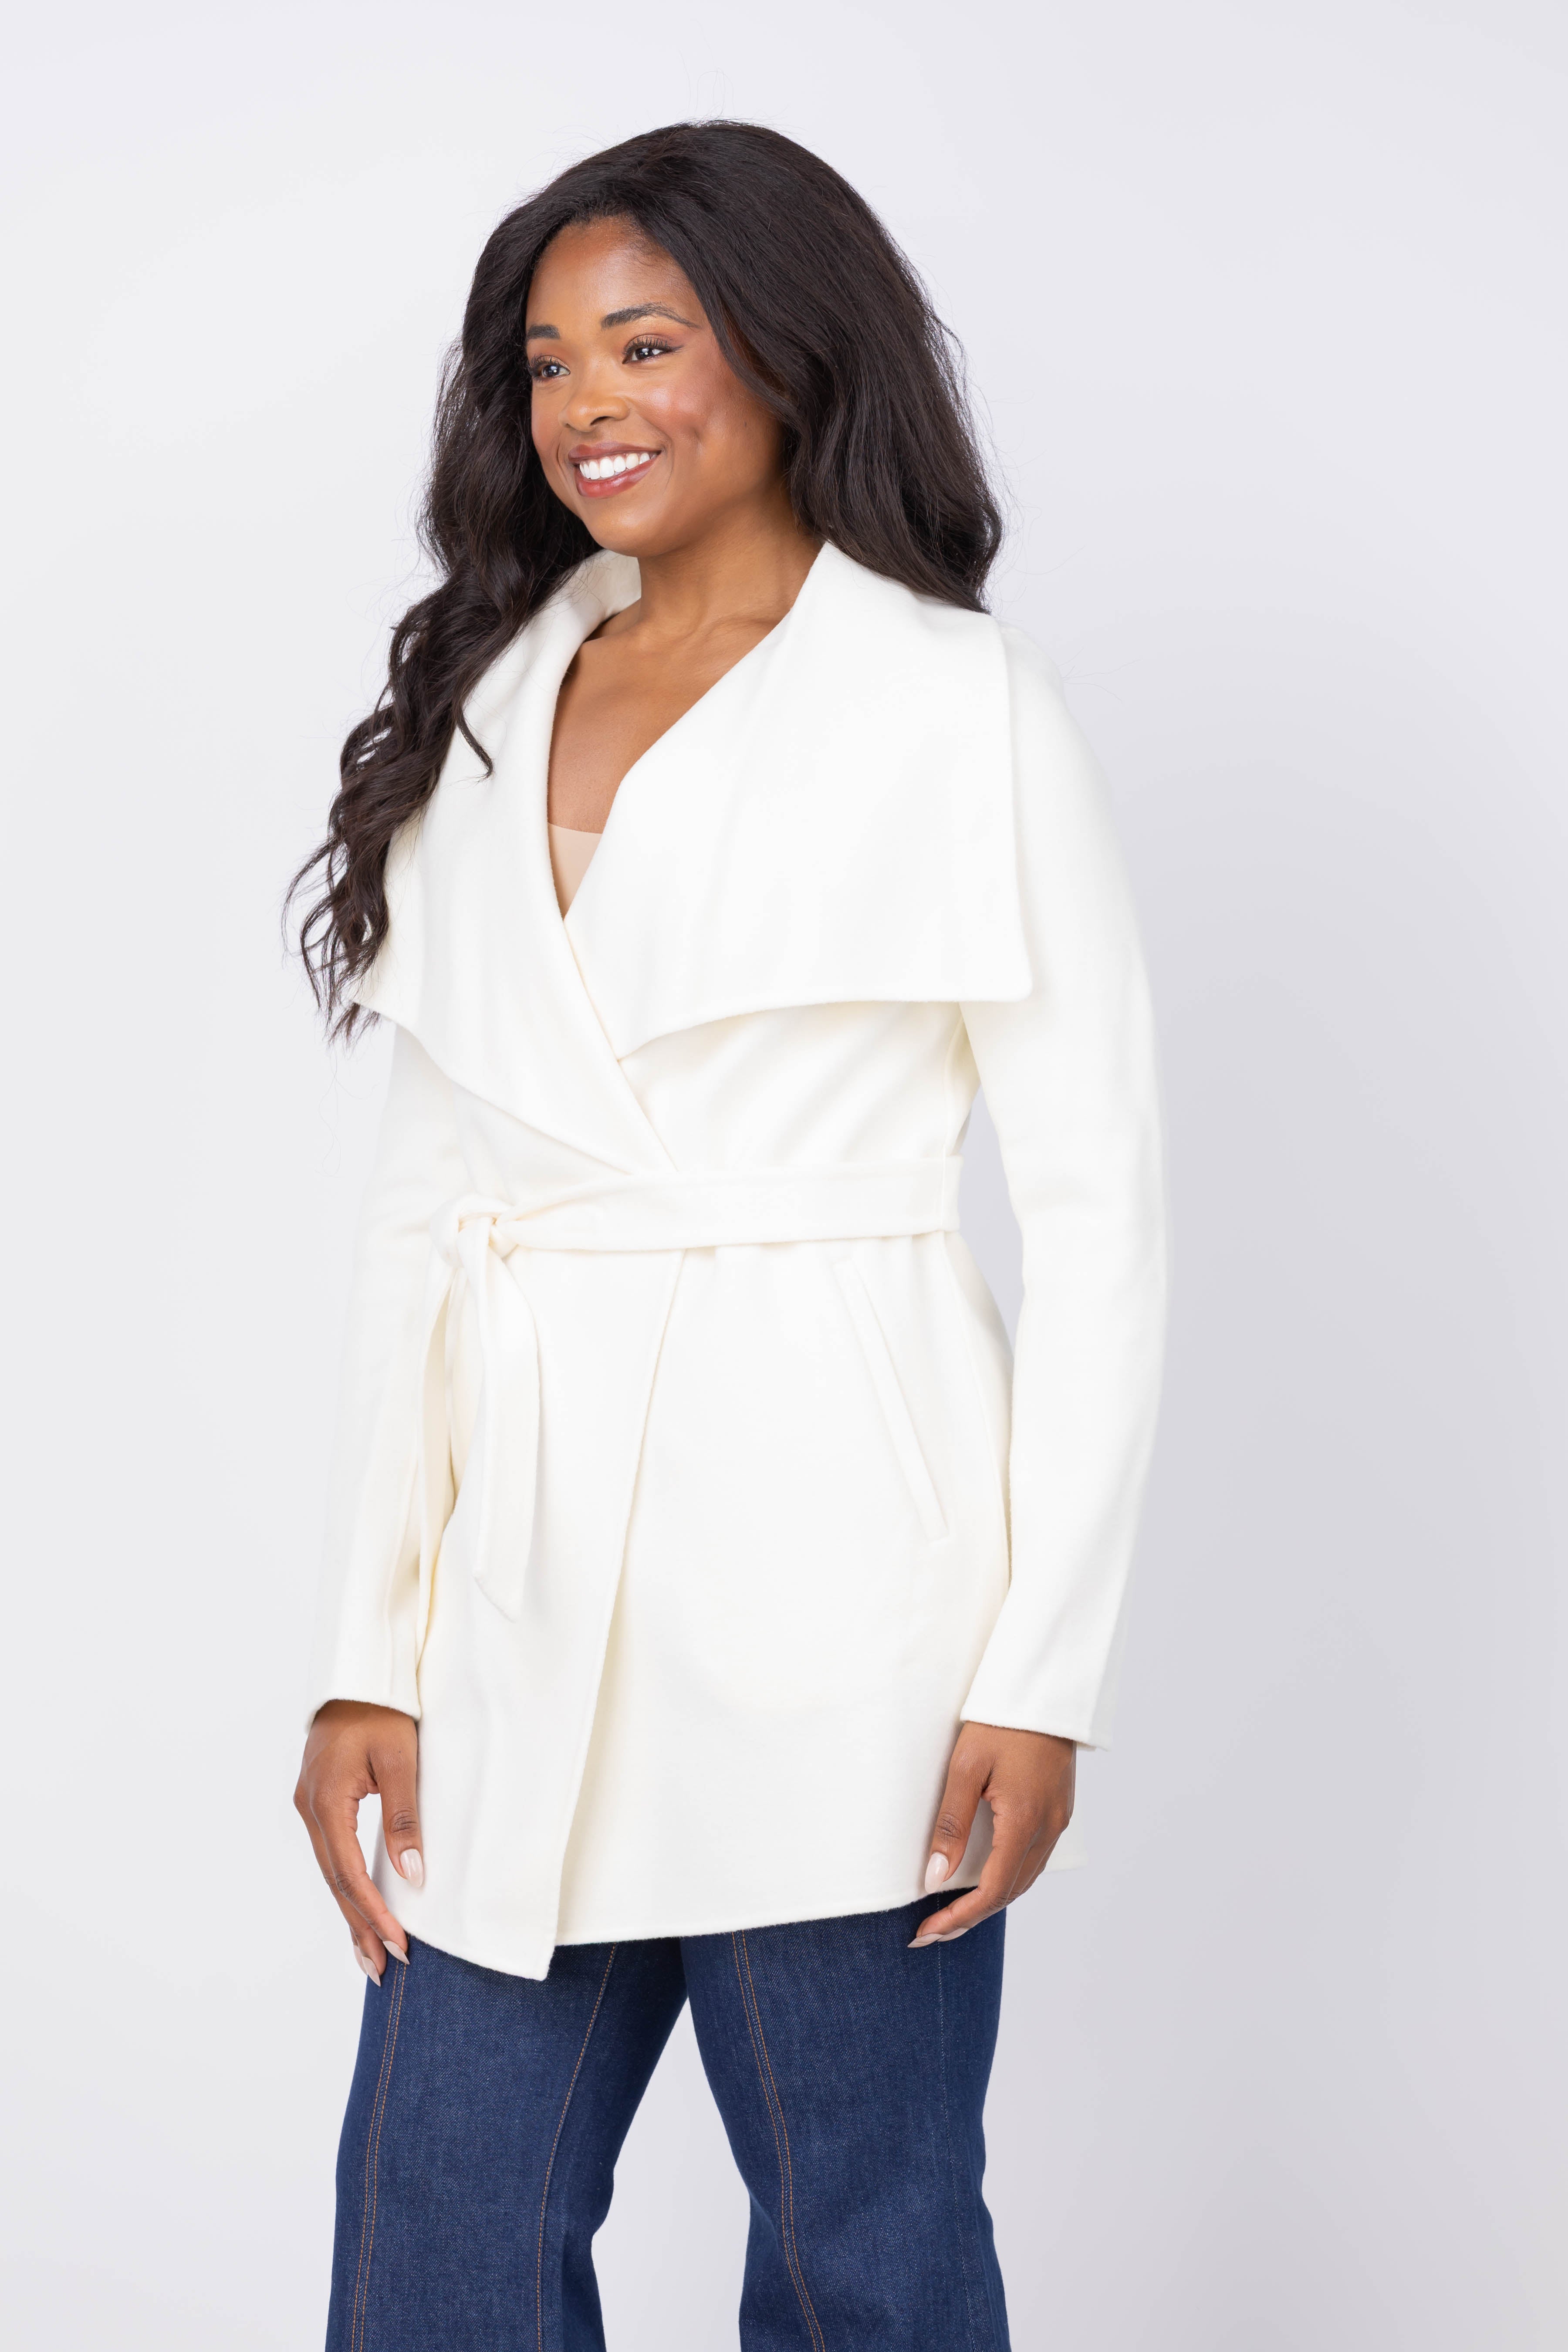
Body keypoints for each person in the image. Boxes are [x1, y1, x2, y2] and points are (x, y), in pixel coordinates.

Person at [290, 118, 1166, 2352]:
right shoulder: (491, 707)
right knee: (433, 2255)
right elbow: (427, 1210)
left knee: (870, 2266)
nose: (588, 401)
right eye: (548, 359)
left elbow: (1101, 1218)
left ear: (785, 351)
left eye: (647, 344)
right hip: (527, 1612)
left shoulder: (957, 706)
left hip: (847, 1615)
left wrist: (1040, 1676)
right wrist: (369, 1647)